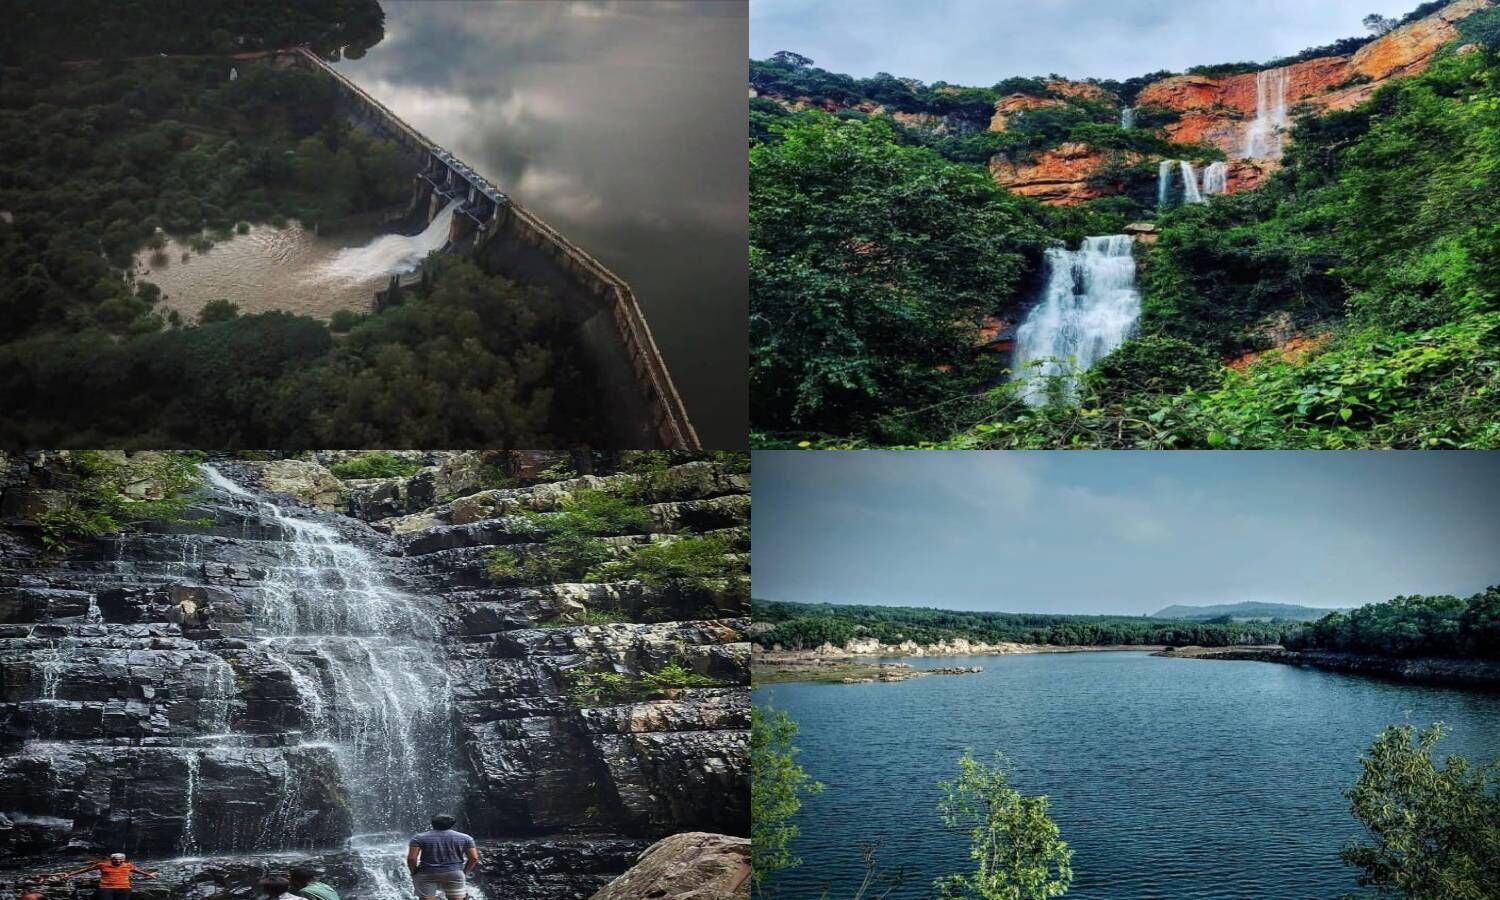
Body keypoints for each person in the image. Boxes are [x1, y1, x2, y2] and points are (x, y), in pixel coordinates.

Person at [406, 814, 479, 900]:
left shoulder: (418, 838)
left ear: (432, 823)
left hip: (427, 873)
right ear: (452, 824)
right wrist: (464, 872)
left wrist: (414, 872)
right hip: (454, 873)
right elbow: (474, 858)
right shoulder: (466, 838)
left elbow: (412, 859)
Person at [55, 853, 159, 899]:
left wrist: (149, 874)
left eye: (120, 859)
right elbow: (86, 870)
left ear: (124, 859)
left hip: (124, 888)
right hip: (106, 888)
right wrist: (69, 874)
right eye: (115, 859)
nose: (118, 861)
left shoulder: (128, 865)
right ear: (111, 859)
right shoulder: (102, 864)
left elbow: (137, 871)